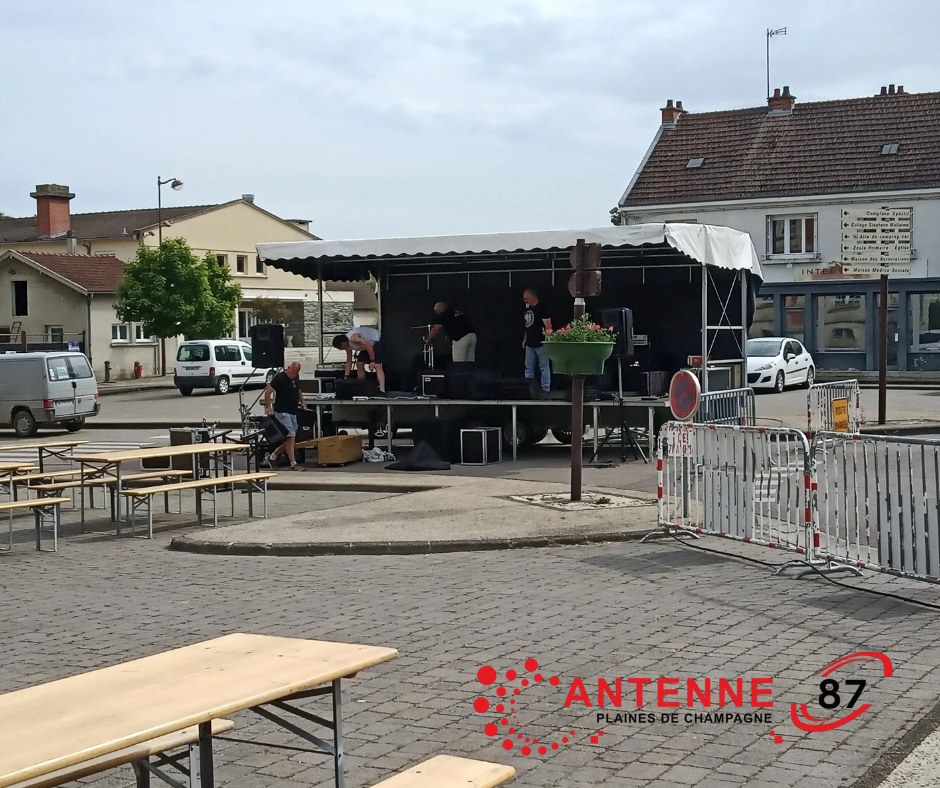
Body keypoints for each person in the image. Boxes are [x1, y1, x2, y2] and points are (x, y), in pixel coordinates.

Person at [262, 361, 306, 471]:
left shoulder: (296, 377)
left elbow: (298, 390)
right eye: (291, 372)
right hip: (282, 411)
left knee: (291, 438)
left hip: (293, 410)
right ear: (288, 368)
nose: (292, 375)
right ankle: (293, 463)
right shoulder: (280, 378)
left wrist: (302, 401)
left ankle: (273, 456)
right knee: (290, 436)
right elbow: (268, 391)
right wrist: (268, 406)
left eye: (295, 373)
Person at [332, 327, 386, 393]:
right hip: (366, 346)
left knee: (377, 365)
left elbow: (369, 346)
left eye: (340, 348)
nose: (340, 350)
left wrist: (372, 361)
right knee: (359, 364)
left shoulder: (354, 339)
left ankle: (382, 389)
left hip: (377, 340)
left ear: (342, 344)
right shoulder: (347, 346)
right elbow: (349, 361)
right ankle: (362, 386)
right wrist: (346, 376)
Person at [522, 288, 553, 392]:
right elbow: (527, 325)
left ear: (533, 297)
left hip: (541, 343)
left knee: (543, 367)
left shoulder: (542, 308)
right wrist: (525, 339)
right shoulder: (528, 309)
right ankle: (528, 389)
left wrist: (547, 340)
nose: (525, 301)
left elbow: (548, 326)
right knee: (528, 368)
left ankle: (545, 389)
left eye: (527, 299)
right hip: (530, 343)